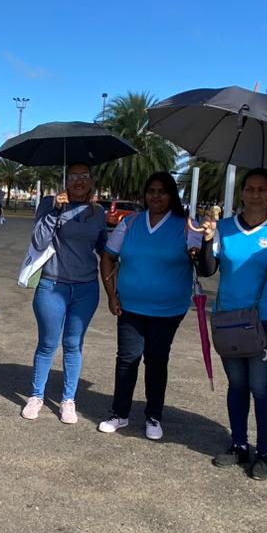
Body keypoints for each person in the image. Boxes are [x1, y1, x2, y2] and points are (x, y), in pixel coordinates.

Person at [197, 168, 267, 479]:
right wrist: (207, 240)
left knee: (261, 387)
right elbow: (208, 269)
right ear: (242, 193)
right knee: (237, 384)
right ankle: (239, 444)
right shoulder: (223, 228)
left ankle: (264, 453)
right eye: (250, 188)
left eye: (262, 189)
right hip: (228, 318)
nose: (255, 194)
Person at [96, 172, 192, 441]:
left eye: (162, 191)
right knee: (127, 359)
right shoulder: (130, 222)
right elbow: (108, 257)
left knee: (157, 361)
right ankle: (119, 413)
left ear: (172, 195)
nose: (156, 196)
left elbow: (204, 263)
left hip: (168, 310)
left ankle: (153, 416)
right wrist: (111, 294)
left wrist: (205, 241)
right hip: (130, 307)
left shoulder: (185, 226)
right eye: (151, 190)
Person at [21, 162, 107, 423]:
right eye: (73, 176)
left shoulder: (98, 212)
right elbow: (39, 241)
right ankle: (36, 395)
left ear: (91, 181)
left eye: (84, 176)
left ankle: (68, 399)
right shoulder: (49, 204)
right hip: (52, 285)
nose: (79, 181)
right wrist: (56, 212)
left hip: (86, 288)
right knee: (47, 343)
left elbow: (104, 248)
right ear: (65, 180)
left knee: (73, 344)